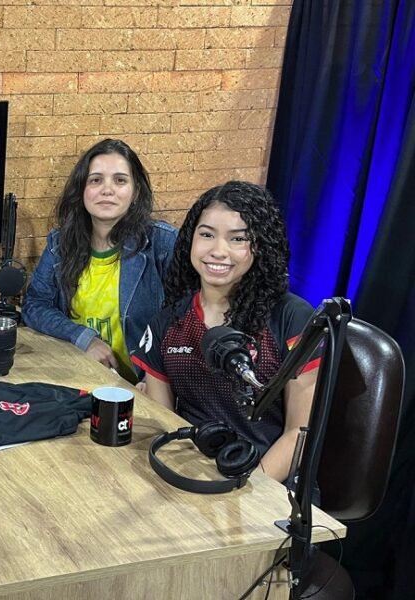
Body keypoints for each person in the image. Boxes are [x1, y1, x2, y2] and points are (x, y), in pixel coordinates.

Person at [131, 181, 319, 485]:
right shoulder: (166, 324)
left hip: (267, 485)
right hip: (192, 474)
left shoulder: (292, 319)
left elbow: (299, 433)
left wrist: (251, 489)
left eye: (238, 239)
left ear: (261, 246)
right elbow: (165, 423)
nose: (218, 251)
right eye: (206, 235)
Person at [22, 138, 177, 383]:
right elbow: (35, 305)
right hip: (80, 379)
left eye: (120, 180)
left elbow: (188, 319)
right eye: (96, 180)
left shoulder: (162, 244)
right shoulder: (60, 243)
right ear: (81, 189)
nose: (107, 190)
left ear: (135, 191)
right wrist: (84, 338)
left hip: (142, 387)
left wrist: (157, 382)